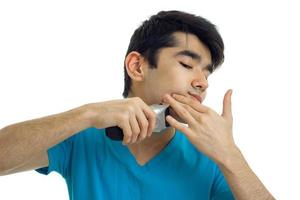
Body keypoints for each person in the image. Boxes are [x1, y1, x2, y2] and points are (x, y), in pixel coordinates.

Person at [0, 10, 274, 200]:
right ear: (137, 66)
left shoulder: (213, 159)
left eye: (206, 72)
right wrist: (88, 114)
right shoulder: (82, 138)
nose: (202, 82)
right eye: (187, 64)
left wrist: (231, 156)